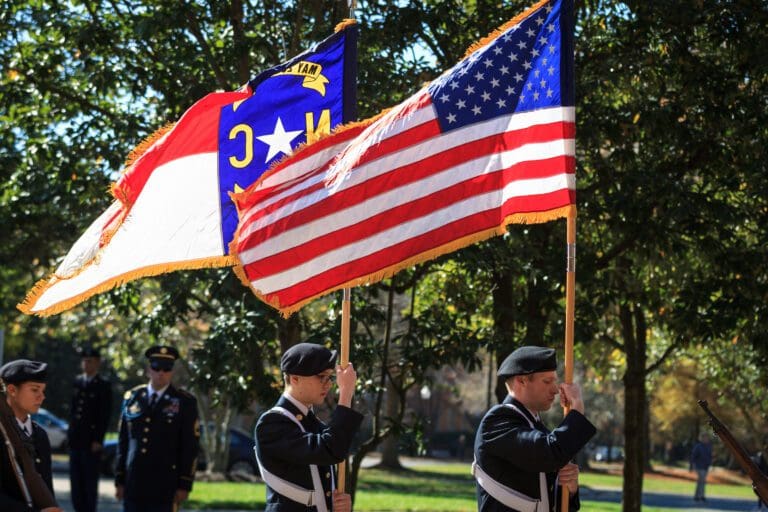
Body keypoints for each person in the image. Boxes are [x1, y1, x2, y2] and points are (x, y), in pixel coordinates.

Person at [473, 346, 596, 511]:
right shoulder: (497, 422)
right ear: (521, 381)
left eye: (555, 381)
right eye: (547, 381)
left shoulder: (537, 429)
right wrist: (577, 409)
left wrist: (568, 489)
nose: (555, 390)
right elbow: (548, 454)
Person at [255, 342, 363, 512]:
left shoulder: (314, 424)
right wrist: (345, 394)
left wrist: (336, 505)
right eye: (321, 377)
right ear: (294, 379)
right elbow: (329, 449)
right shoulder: (272, 424)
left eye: (330, 377)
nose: (328, 384)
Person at [114, 345, 200, 512]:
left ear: (172, 372)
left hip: (165, 483)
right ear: (148, 370)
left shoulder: (184, 402)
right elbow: (123, 441)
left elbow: (190, 446)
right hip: (134, 481)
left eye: (167, 368)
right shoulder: (132, 398)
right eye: (156, 367)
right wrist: (120, 479)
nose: (161, 372)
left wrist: (185, 483)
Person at [0, 359, 63, 512]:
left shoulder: (40, 435)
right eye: (35, 390)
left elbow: (46, 489)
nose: (41, 397)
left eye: (42, 391)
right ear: (12, 390)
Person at [69, 346, 112, 512]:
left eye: (90, 361)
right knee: (76, 482)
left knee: (88, 483)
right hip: (76, 440)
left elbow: (104, 415)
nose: (86, 364)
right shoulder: (78, 382)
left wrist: (98, 440)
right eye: (84, 361)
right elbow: (73, 411)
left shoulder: (103, 385)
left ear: (98, 363)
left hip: (91, 441)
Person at [690, 432, 712, 502]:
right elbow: (693, 456)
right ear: (701, 438)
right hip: (699, 466)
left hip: (706, 467)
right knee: (701, 480)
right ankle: (701, 496)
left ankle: (698, 496)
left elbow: (709, 456)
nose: (706, 439)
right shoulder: (698, 446)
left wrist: (710, 464)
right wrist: (692, 466)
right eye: (704, 438)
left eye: (707, 438)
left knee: (701, 481)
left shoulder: (709, 446)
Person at [751, 437, 768, 509]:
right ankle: (760, 507)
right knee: (761, 493)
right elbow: (759, 466)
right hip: (763, 477)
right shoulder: (761, 456)